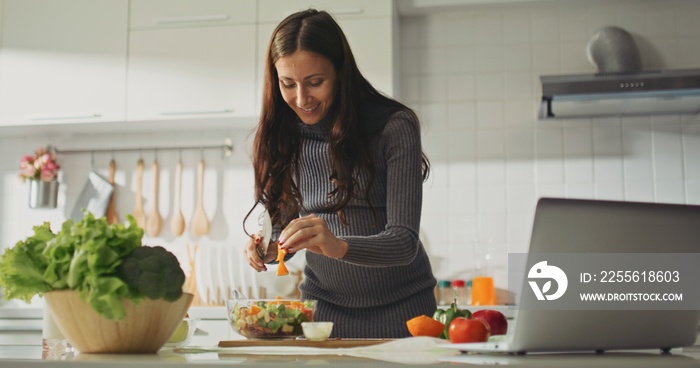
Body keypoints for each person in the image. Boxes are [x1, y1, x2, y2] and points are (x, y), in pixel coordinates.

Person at [243, 9, 437, 338]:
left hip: (405, 316)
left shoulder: (394, 126)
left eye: (315, 82)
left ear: (341, 72)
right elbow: (284, 230)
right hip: (323, 317)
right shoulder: (283, 134)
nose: (301, 99)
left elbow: (404, 243)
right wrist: (270, 248)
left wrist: (338, 245)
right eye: (288, 84)